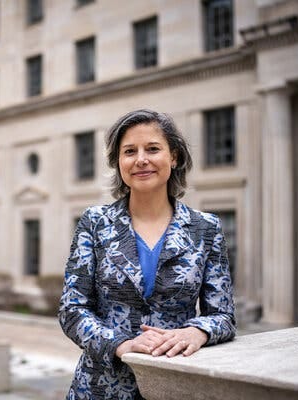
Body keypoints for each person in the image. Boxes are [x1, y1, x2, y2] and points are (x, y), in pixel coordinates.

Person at [59, 109, 235, 399]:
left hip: (176, 384)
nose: (141, 159)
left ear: (174, 156)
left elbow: (223, 316)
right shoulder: (95, 222)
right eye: (129, 151)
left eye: (153, 149)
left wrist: (196, 332)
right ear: (119, 162)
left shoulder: (206, 228)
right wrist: (121, 345)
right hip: (101, 387)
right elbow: (72, 310)